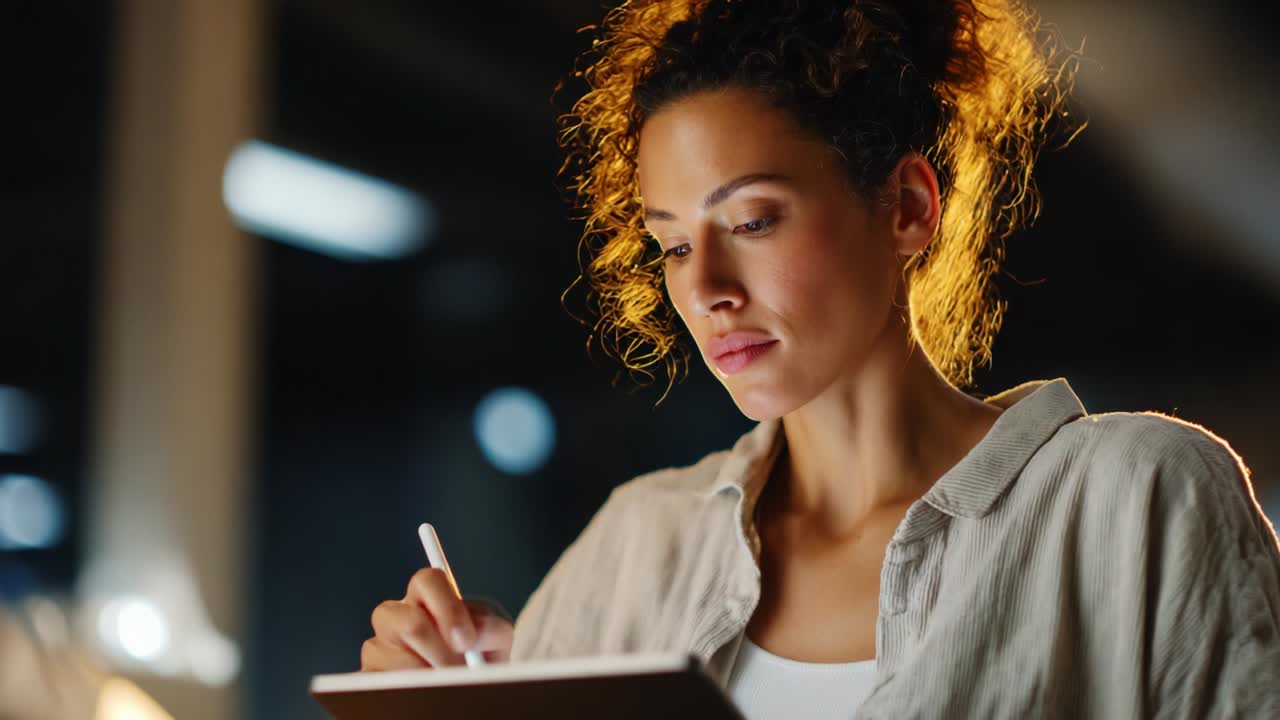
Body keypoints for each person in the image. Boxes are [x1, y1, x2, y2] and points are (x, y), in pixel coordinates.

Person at [359, 0, 1280, 715]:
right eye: (673, 245)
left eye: (753, 220)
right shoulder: (634, 547)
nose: (707, 286)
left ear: (909, 207)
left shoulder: (1137, 498)